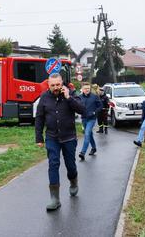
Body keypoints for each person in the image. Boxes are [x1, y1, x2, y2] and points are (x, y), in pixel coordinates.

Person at [35, 73, 85, 211]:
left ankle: (73, 182)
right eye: (53, 85)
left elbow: (82, 110)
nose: (56, 87)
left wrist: (69, 98)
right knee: (53, 164)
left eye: (58, 84)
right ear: (48, 85)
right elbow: (39, 118)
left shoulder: (71, 94)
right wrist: (39, 138)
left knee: (70, 165)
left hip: (69, 137)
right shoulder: (44, 97)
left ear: (62, 83)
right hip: (52, 137)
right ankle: (55, 199)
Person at [79, 82, 103, 161]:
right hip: (84, 119)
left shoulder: (94, 97)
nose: (87, 90)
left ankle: (82, 152)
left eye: (88, 88)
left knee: (87, 133)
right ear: (82, 89)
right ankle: (94, 148)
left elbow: (100, 106)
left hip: (92, 119)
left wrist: (94, 112)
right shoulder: (79, 97)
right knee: (90, 134)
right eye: (85, 88)